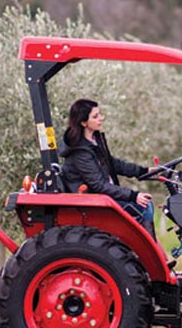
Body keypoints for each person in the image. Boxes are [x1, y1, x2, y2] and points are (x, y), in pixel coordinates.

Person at [58, 98, 157, 239]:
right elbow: (98, 185)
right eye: (95, 116)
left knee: (146, 205)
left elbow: (113, 164)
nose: (101, 118)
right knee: (145, 207)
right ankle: (150, 257)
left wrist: (143, 171)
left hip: (104, 197)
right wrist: (133, 196)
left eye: (100, 114)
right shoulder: (80, 152)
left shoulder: (94, 140)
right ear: (83, 122)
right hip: (95, 203)